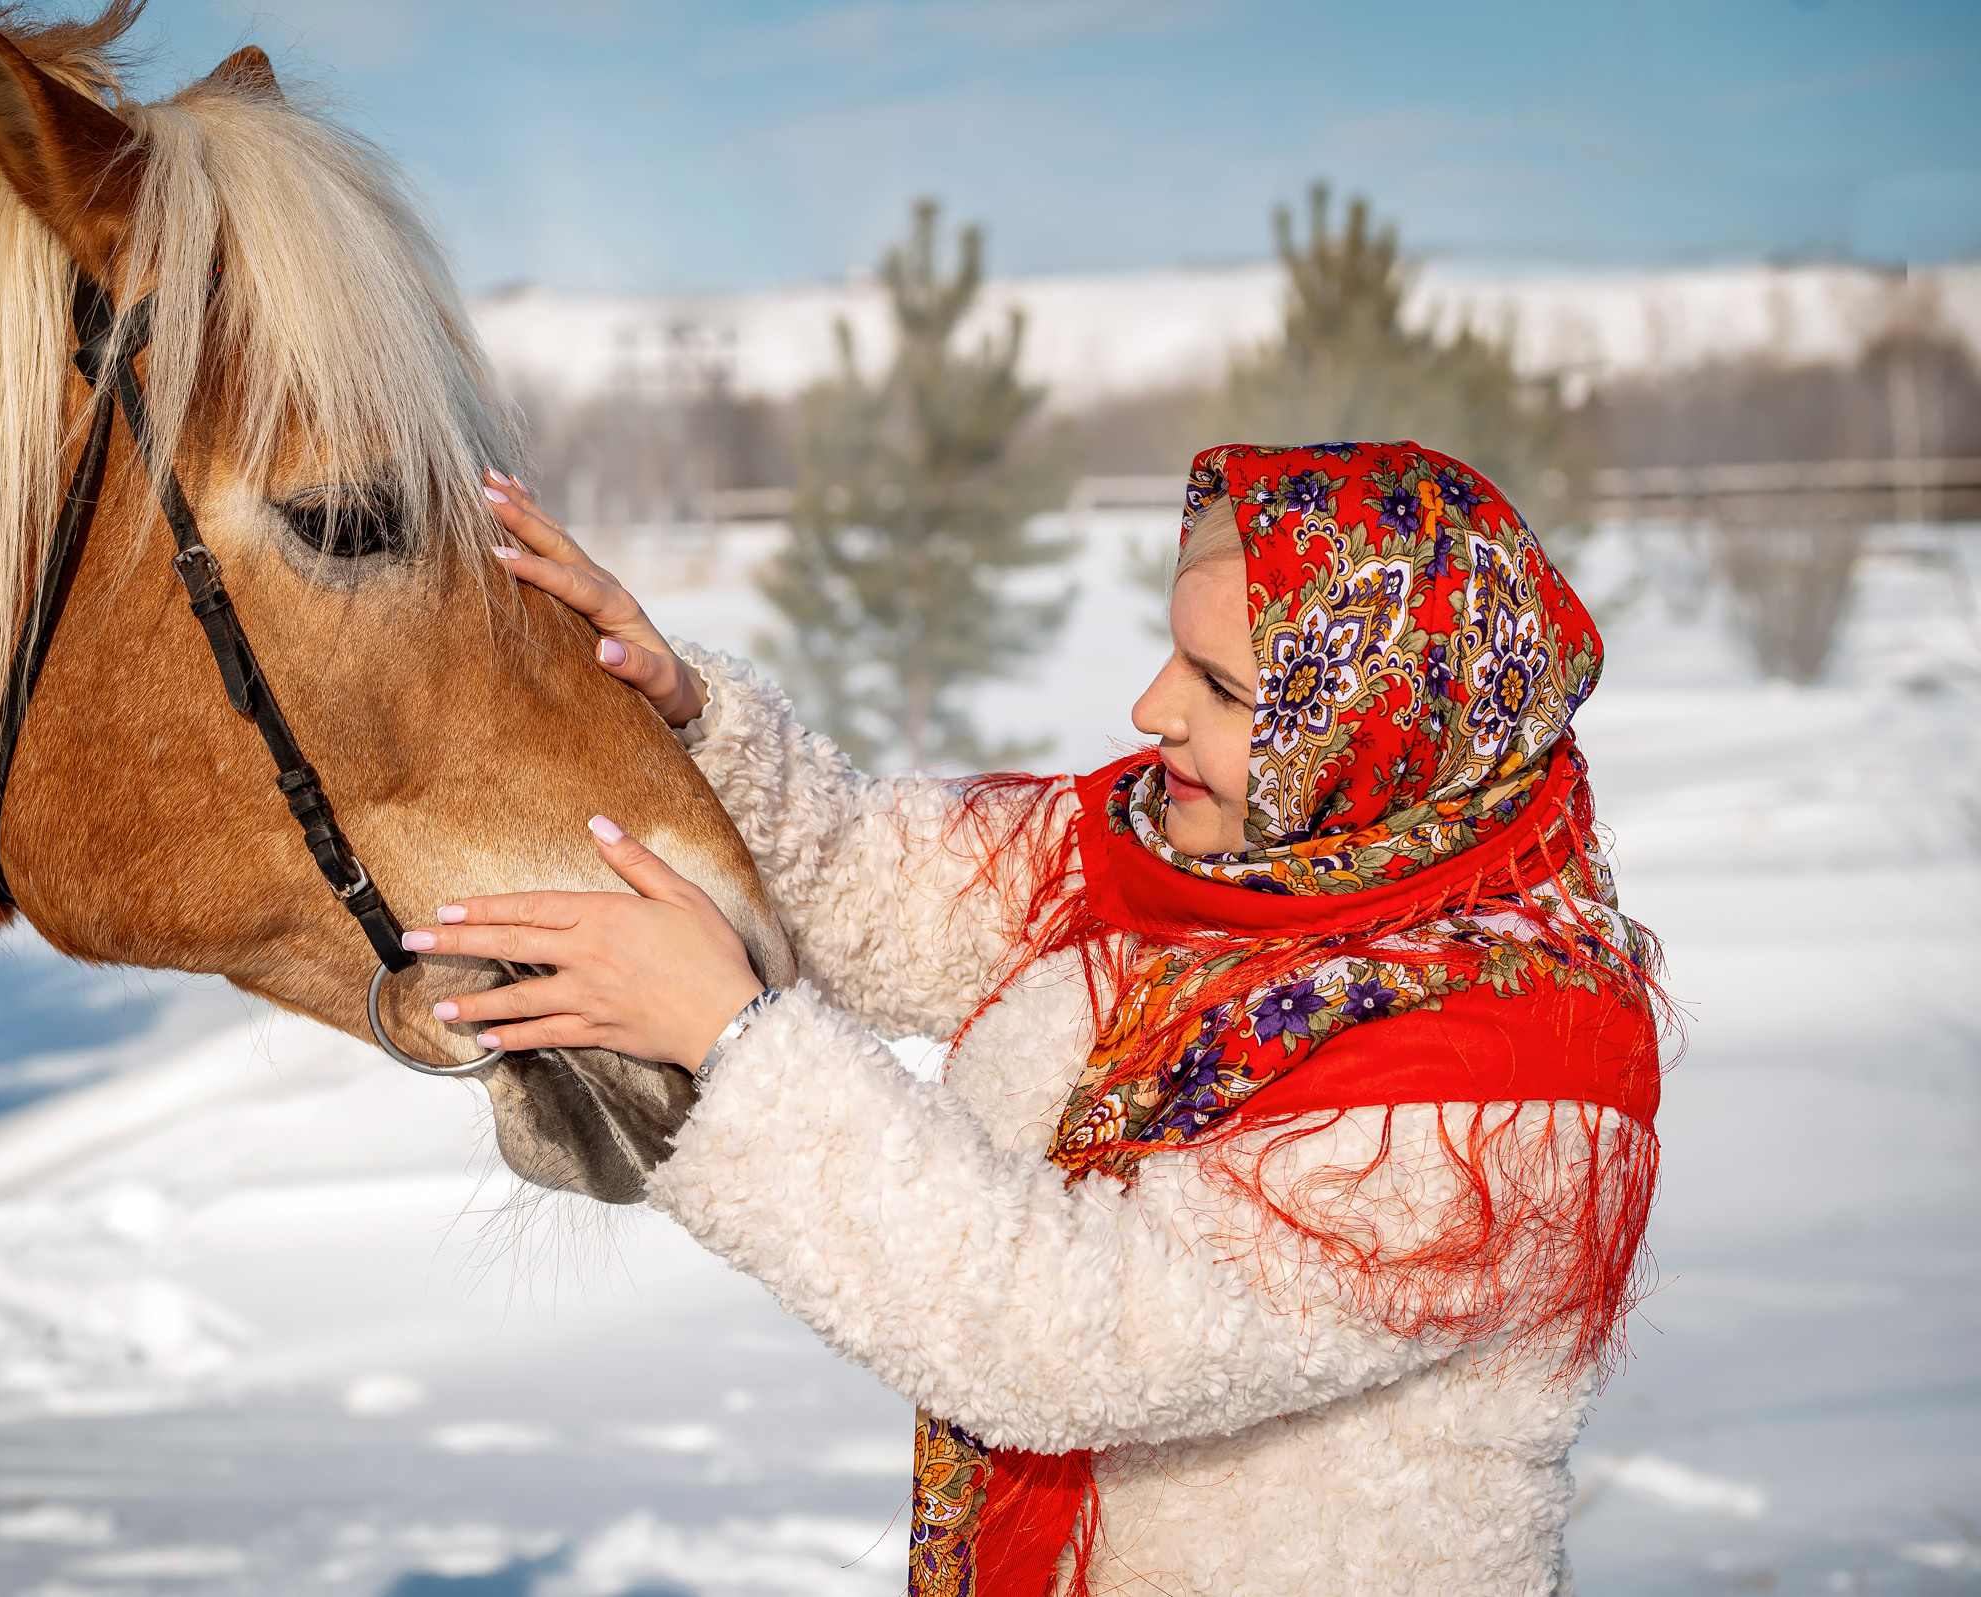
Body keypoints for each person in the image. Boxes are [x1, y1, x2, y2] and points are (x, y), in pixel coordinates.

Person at [404, 442, 1665, 1597]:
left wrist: (737, 1046)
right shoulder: (1185, 857)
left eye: (1223, 687)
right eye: (1176, 650)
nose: (1151, 708)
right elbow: (871, 883)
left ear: (1370, 734)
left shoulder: (1501, 1080)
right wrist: (674, 717)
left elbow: (1063, 1335)